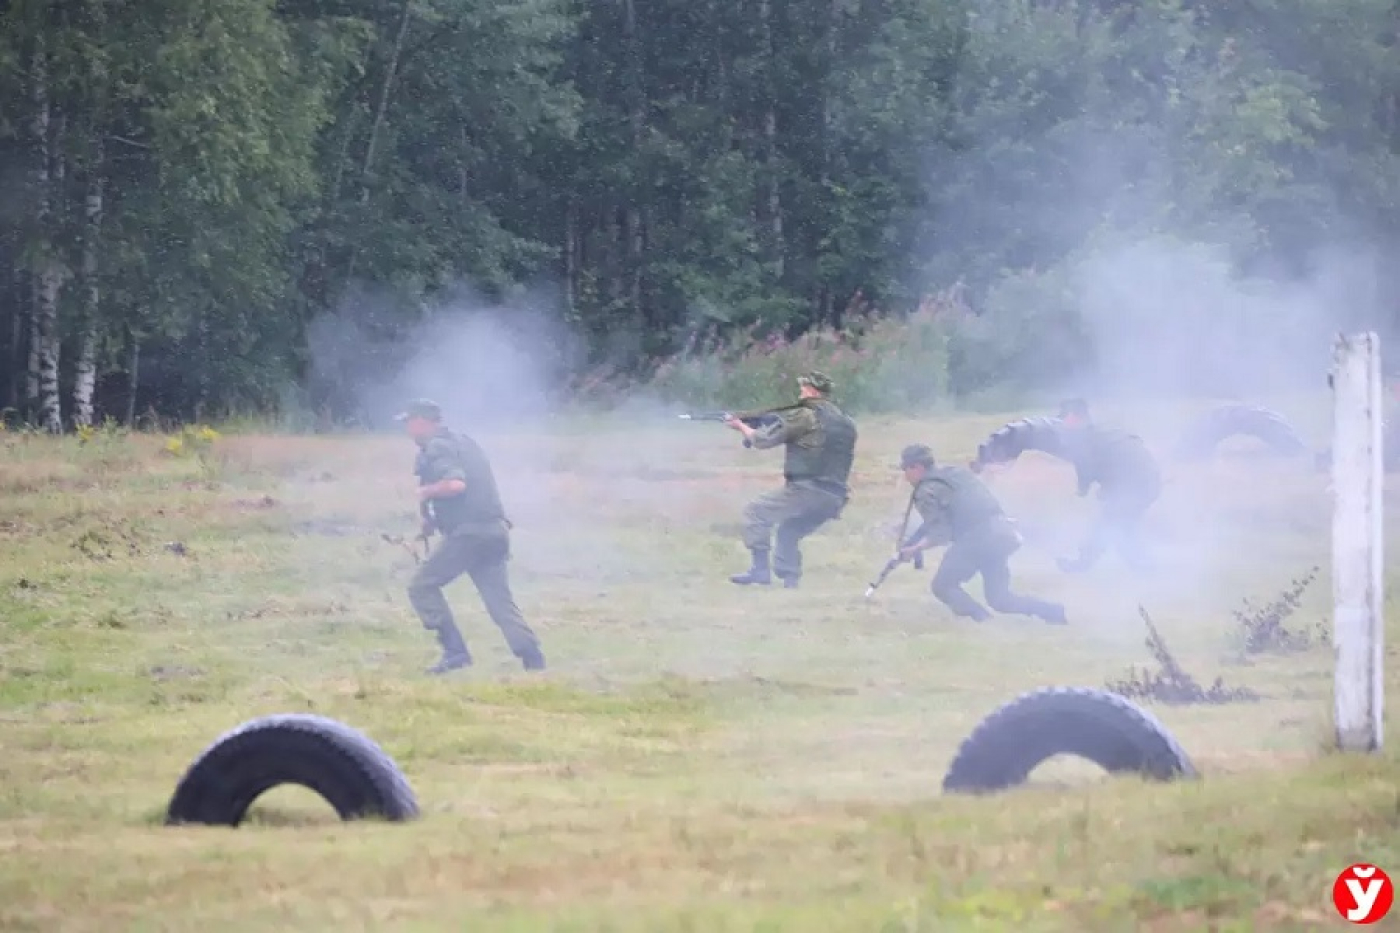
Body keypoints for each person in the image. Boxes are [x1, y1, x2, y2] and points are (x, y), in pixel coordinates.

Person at [396, 398, 546, 674]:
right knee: (499, 602)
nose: (407, 429)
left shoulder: (437, 447)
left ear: (422, 421)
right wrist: (431, 519)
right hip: (495, 532)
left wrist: (425, 492)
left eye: (409, 422)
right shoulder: (464, 442)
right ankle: (533, 659)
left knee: (422, 586)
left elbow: (455, 484)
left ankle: (455, 652)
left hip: (470, 535)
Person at [897, 444, 1067, 625]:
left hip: (976, 539)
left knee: (942, 586)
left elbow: (941, 534)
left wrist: (915, 549)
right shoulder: (955, 473)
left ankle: (983, 620)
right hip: (1000, 532)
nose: (905, 475)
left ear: (917, 467)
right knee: (1000, 599)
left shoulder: (925, 491)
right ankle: (1051, 611)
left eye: (906, 469)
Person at [726, 371, 857, 588]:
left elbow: (763, 440)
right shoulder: (846, 422)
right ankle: (790, 582)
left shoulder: (805, 415)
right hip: (835, 496)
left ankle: (760, 571)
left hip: (808, 489)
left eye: (803, 388)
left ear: (812, 391)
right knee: (790, 530)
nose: (801, 392)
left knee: (756, 512)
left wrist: (740, 426)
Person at [1052, 397, 1162, 573]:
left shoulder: (1083, 438)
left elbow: (1087, 467)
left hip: (1135, 484)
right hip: (1149, 480)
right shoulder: (1102, 432)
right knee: (1120, 524)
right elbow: (1115, 463)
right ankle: (1144, 566)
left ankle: (1084, 565)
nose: (1062, 424)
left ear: (1073, 417)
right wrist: (1108, 490)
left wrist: (1082, 490)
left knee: (1109, 526)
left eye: (1064, 418)